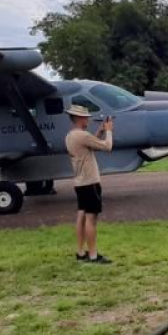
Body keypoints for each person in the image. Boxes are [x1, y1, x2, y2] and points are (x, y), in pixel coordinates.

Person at [64, 105, 114, 264]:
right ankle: (93, 255)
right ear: (79, 118)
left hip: (79, 182)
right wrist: (109, 130)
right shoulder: (83, 135)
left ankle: (80, 252)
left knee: (81, 216)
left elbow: (89, 145)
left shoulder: (71, 136)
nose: (88, 119)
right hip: (90, 182)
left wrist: (99, 132)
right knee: (91, 219)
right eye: (85, 117)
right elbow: (108, 146)